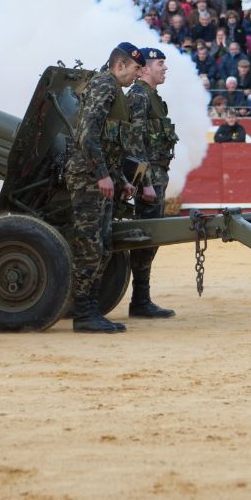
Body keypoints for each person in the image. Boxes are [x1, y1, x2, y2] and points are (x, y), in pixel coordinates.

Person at [63, 43, 147, 333]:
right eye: (137, 68)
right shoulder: (104, 85)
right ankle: (84, 314)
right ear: (120, 65)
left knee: (104, 244)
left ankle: (90, 309)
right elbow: (87, 134)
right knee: (90, 244)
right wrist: (101, 175)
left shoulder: (115, 90)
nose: (139, 74)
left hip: (97, 176)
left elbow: (108, 144)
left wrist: (120, 179)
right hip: (87, 177)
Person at [127, 48, 178, 319]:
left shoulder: (153, 98)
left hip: (158, 173)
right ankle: (140, 299)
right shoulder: (138, 96)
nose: (164, 68)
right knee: (147, 235)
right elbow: (135, 144)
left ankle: (141, 297)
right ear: (145, 68)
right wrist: (145, 182)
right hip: (150, 177)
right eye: (160, 64)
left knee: (151, 236)